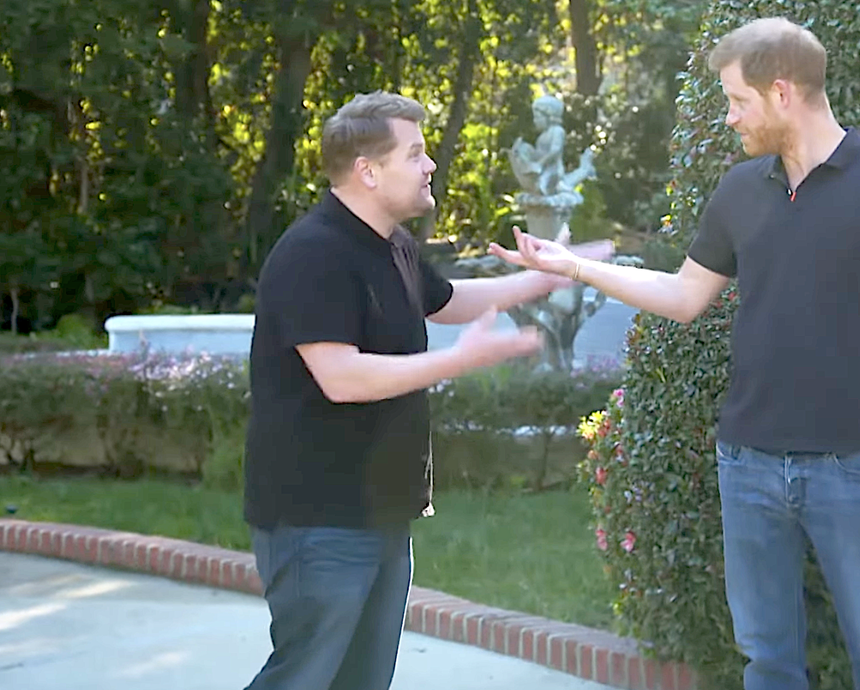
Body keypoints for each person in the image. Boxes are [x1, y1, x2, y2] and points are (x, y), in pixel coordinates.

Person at [489, 17, 860, 690]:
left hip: (856, 469)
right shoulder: (739, 191)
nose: (730, 117)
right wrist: (570, 267)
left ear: (782, 92)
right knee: (767, 662)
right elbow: (682, 294)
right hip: (749, 464)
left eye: (737, 100)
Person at [241, 90, 610, 690]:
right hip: (318, 519)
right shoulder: (313, 253)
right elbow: (342, 377)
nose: (430, 164)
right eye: (414, 153)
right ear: (368, 170)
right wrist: (460, 362)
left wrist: (553, 274)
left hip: (381, 511)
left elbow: (449, 303)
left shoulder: (392, 242)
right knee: (303, 678)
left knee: (361, 681)